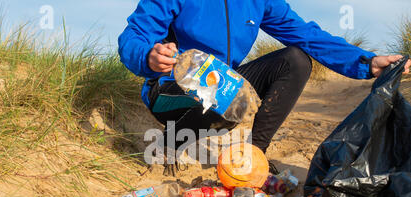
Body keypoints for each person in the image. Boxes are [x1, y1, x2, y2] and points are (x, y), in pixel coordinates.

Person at [118, 0, 411, 176]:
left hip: (224, 87)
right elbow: (134, 36)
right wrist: (148, 56)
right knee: (223, 89)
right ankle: (170, 142)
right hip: (170, 90)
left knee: (296, 60)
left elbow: (308, 36)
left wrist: (368, 62)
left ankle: (254, 153)